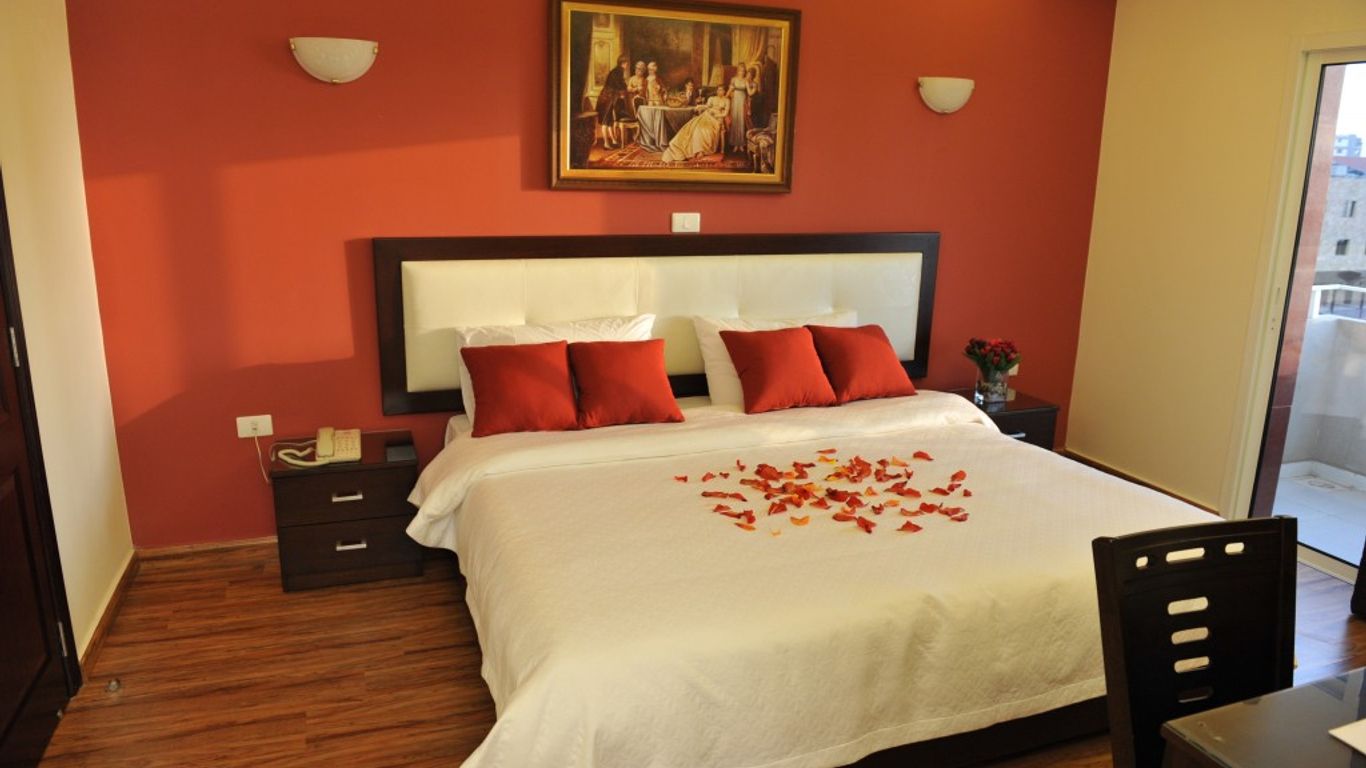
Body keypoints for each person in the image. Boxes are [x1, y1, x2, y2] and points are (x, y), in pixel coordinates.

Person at [662, 86, 730, 163]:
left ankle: (702, 150)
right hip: (707, 115)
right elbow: (707, 106)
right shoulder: (712, 98)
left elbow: (725, 113)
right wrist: (700, 106)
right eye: (718, 90)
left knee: (705, 130)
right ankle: (697, 151)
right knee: (695, 127)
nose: (719, 92)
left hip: (717, 119)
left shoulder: (726, 100)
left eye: (721, 90)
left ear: (724, 91)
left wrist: (716, 115)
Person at [595, 56, 630, 149]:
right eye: (626, 63)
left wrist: (622, 91)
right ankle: (606, 143)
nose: (627, 65)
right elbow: (620, 84)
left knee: (609, 120)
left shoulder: (616, 71)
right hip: (607, 98)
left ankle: (613, 140)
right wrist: (626, 89)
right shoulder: (619, 71)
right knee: (606, 121)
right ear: (622, 63)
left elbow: (618, 84)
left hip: (607, 97)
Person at [727, 66, 751, 152]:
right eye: (740, 71)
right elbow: (730, 91)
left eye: (743, 71)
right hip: (735, 101)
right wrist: (727, 96)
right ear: (737, 71)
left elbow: (749, 93)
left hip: (742, 101)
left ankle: (741, 144)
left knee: (741, 121)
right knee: (735, 120)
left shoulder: (746, 81)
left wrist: (755, 87)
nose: (742, 72)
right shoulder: (733, 79)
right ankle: (735, 144)